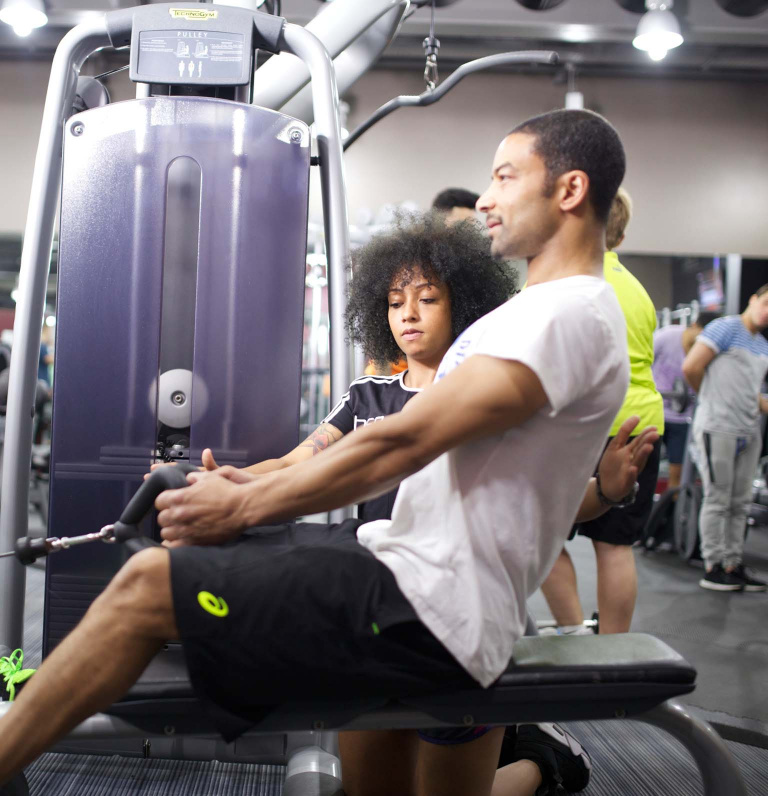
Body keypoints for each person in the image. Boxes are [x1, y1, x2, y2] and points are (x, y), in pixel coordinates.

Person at [0, 109, 657, 796]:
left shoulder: (569, 312)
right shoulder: (537, 313)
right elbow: (403, 452)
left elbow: (405, 438)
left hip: (426, 605)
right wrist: (242, 485)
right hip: (410, 580)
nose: (485, 198)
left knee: (142, 590)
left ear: (570, 190)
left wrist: (242, 504)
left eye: (504, 176)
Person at [540, 187, 664, 636]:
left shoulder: (570, 283)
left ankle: (573, 629)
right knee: (615, 545)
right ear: (622, 234)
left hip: (584, 426)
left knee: (543, 534)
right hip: (641, 424)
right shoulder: (639, 292)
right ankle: (612, 647)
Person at [682, 284, 768, 592]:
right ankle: (713, 566)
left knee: (740, 502)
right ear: (753, 300)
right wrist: (712, 399)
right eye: (766, 303)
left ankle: (732, 564)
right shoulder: (725, 328)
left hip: (749, 430)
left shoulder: (762, 345)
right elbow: (691, 367)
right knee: (718, 498)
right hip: (718, 426)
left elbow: (752, 391)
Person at [652, 312, 718, 492]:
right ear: (694, 326)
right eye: (702, 335)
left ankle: (673, 514)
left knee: (677, 472)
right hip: (655, 412)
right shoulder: (666, 336)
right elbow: (644, 362)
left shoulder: (708, 350)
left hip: (682, 419)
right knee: (644, 468)